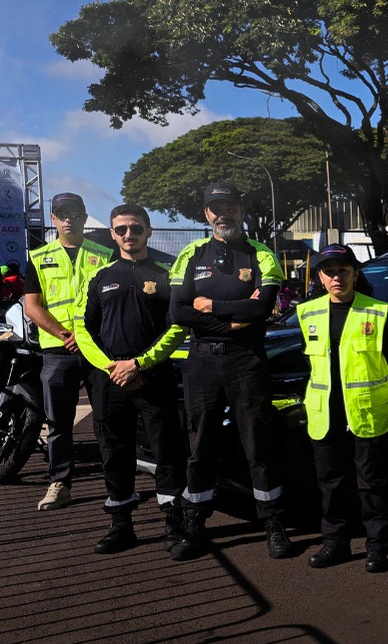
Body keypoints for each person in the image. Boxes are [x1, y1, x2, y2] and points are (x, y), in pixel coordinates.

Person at [169, 182, 293, 560]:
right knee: (200, 445)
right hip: (202, 360)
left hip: (246, 359)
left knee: (258, 442)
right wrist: (232, 321)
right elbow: (178, 312)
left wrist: (209, 306)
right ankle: (194, 522)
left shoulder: (261, 254)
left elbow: (261, 309)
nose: (223, 213)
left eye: (230, 207)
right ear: (206, 214)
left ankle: (273, 522)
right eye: (215, 208)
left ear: (241, 210)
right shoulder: (190, 254)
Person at [75, 204, 190, 556]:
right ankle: (121, 525)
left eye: (136, 228)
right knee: (114, 453)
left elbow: (178, 327)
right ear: (112, 234)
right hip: (110, 381)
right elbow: (83, 329)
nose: (129, 235)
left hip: (154, 379)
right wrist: (114, 368)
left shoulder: (167, 274)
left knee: (168, 452)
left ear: (148, 231)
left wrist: (140, 364)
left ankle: (174, 526)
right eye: (121, 229)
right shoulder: (99, 277)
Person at [297, 245, 388, 573]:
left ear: (355, 274)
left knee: (372, 483)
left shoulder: (377, 311)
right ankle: (335, 543)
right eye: (329, 271)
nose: (336, 277)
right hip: (325, 413)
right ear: (319, 277)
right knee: (331, 484)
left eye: (343, 270)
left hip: (367, 410)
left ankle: (377, 546)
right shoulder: (307, 312)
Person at [23, 192, 113, 511]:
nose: (68, 220)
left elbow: (113, 302)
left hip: (97, 350)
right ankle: (60, 483)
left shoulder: (105, 255)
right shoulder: (38, 257)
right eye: (62, 214)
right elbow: (32, 306)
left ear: (85, 218)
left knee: (106, 420)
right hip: (57, 351)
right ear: (53, 219)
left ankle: (116, 485)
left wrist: (86, 337)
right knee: (58, 422)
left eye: (75, 214)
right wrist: (65, 334)